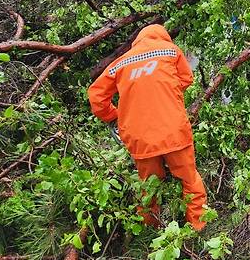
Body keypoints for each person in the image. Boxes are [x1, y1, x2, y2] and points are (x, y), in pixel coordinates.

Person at [88, 24, 207, 230]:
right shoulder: (170, 50)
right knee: (190, 180)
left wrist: (113, 115)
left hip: (139, 138)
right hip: (174, 132)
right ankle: (198, 227)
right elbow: (187, 79)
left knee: (149, 187)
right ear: (164, 37)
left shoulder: (121, 62)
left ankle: (149, 229)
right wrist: (166, 91)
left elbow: (96, 97)